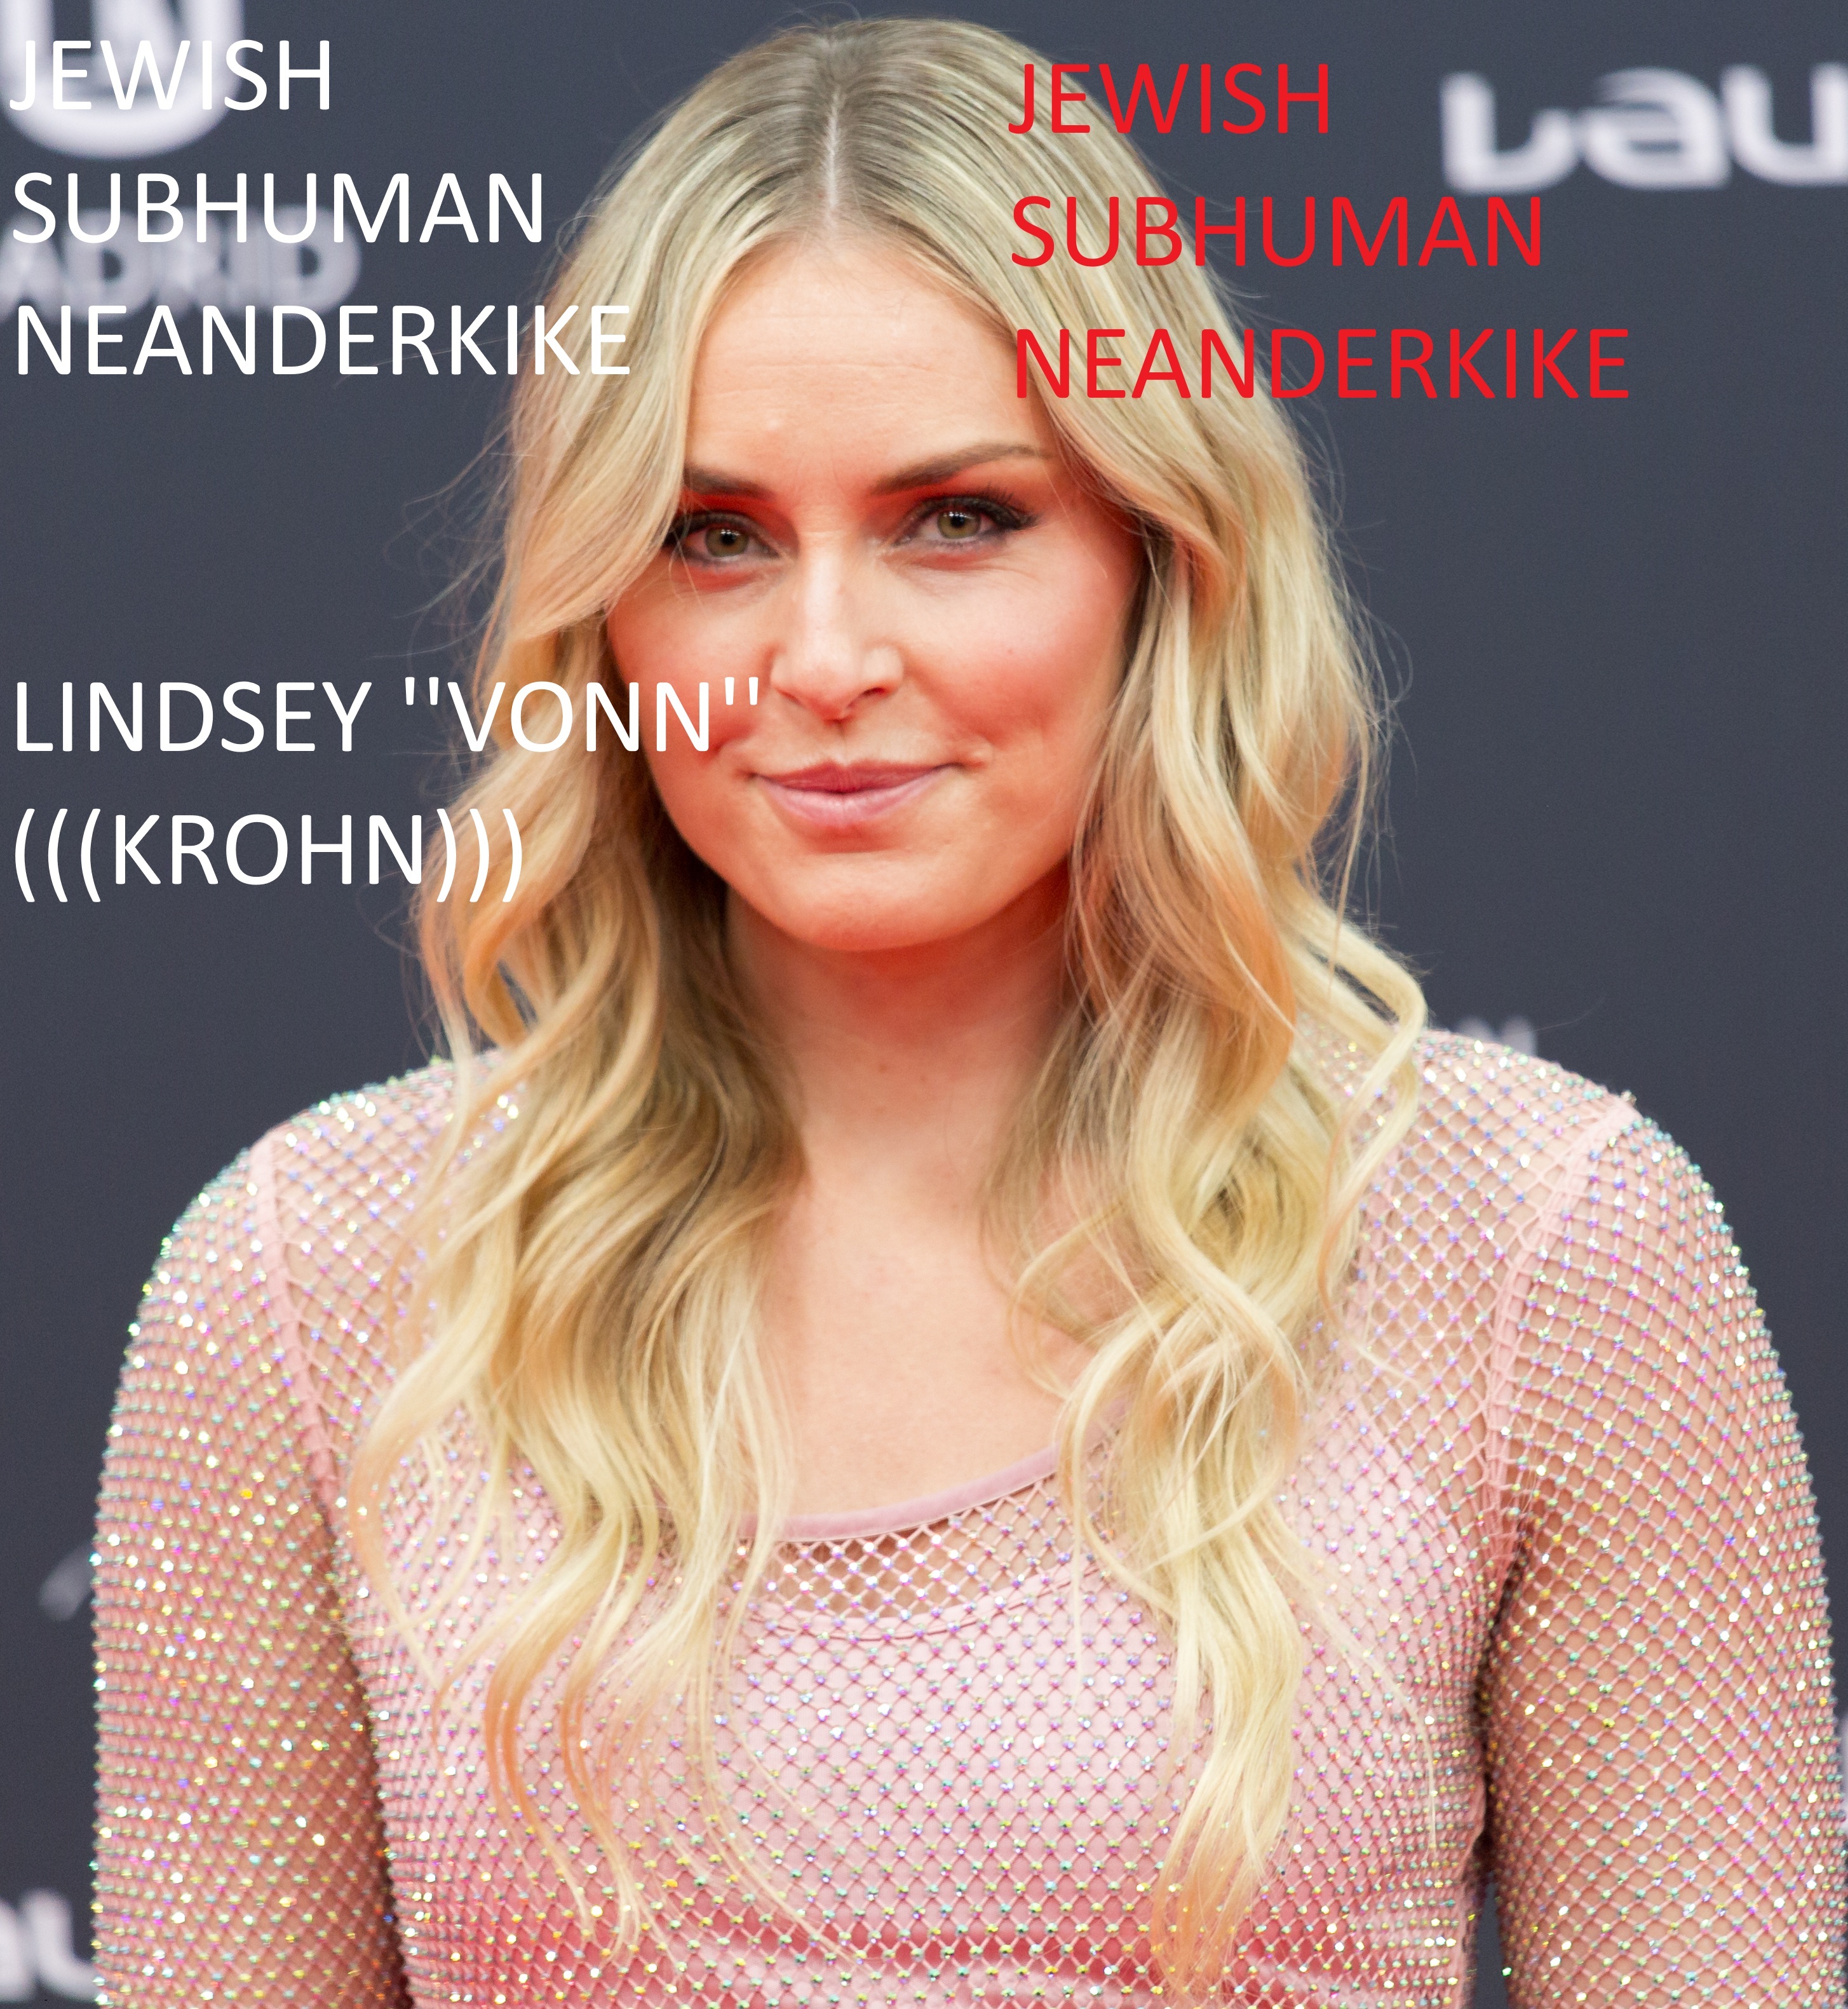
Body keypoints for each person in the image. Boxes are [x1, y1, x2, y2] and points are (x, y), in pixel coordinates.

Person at [90, 18, 1842, 2007]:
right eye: (715, 537)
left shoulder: (1538, 1251)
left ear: (1161, 562)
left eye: (958, 519)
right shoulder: (320, 1284)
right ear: (604, 610)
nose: (825, 655)